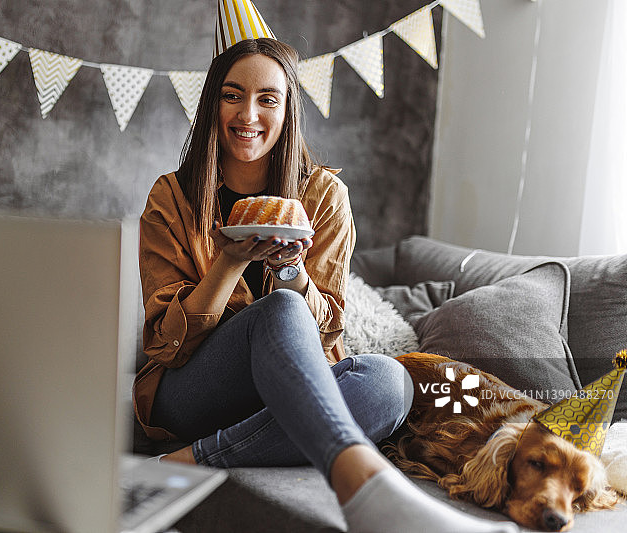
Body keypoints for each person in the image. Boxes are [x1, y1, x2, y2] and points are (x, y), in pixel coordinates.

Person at [133, 37, 517, 533]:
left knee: (389, 383)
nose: (248, 112)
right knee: (279, 312)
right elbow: (166, 344)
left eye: (268, 98)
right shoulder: (172, 198)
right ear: (212, 103)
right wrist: (227, 264)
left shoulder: (323, 196)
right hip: (193, 390)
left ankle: (192, 460)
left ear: (288, 108)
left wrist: (292, 272)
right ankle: (363, 485)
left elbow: (329, 333)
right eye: (232, 95)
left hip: (288, 394)